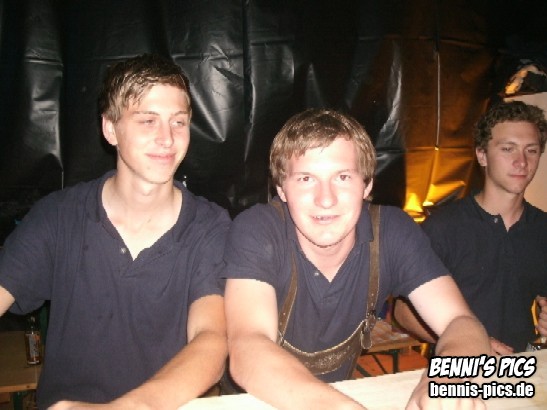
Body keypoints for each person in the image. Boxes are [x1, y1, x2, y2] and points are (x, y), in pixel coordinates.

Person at [0, 54, 230, 409]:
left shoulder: (209, 226)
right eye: (148, 121)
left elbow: (211, 339)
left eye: (178, 122)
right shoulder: (59, 217)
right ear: (110, 129)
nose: (167, 138)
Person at [223, 108, 492, 409]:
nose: (326, 199)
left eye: (342, 177)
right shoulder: (258, 229)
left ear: (367, 185)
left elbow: (460, 321)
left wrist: (449, 379)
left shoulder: (392, 231)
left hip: (341, 395)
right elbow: (249, 347)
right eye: (306, 178)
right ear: (282, 190)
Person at [394, 100, 547, 354]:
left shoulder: (542, 228)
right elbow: (403, 311)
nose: (521, 162)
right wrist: (470, 343)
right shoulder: (444, 227)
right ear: (482, 155)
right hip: (460, 367)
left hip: (522, 364)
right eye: (508, 149)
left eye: (531, 150)